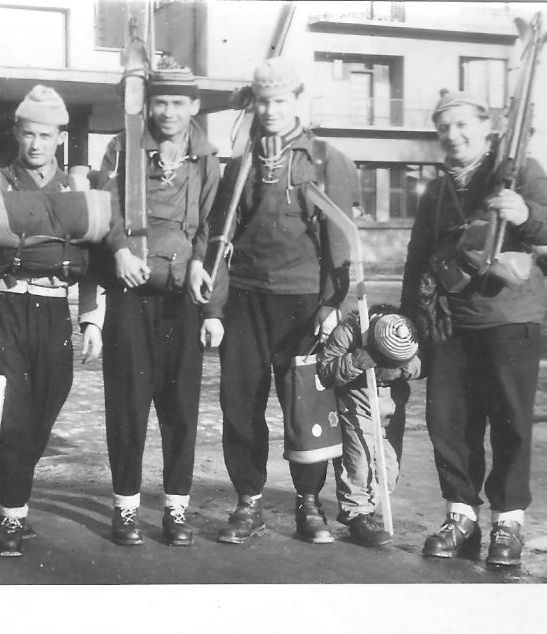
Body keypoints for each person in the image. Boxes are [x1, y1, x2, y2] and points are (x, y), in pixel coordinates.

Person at [189, 57, 359, 545]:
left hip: (303, 303)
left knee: (305, 406)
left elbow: (340, 241)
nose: (271, 110)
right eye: (263, 102)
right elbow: (220, 237)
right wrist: (214, 308)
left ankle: (309, 503)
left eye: (280, 100)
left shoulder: (326, 160)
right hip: (245, 299)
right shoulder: (243, 162)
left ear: (298, 101)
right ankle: (249, 502)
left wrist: (332, 305)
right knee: (239, 402)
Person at [400, 90, 547, 566]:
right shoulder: (437, 190)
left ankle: (508, 521)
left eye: (462, 125)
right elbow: (417, 258)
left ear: (486, 127)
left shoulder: (519, 170)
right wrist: (411, 325)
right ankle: (461, 516)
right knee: (449, 422)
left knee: (510, 422)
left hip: (509, 318)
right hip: (449, 322)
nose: (452, 136)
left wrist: (524, 213)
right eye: (443, 128)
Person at [0, 84, 105, 557]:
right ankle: (13, 517)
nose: (36, 144)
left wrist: (92, 319)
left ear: (61, 137)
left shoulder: (76, 191)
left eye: (45, 135)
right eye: (28, 134)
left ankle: (5, 491)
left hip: (54, 310)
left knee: (46, 407)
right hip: (3, 306)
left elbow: (92, 261)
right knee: (13, 415)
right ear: (17, 133)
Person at [97, 57, 222, 546]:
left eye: (178, 102)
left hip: (180, 299)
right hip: (131, 294)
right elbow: (105, 206)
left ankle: (175, 508)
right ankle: (125, 508)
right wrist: (119, 248)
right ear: (147, 104)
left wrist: (200, 264)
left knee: (180, 407)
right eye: (160, 102)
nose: (168, 112)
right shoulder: (122, 147)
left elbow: (212, 224)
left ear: (194, 106)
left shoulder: (206, 158)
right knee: (128, 404)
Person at [316, 305, 422, 547]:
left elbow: (422, 365)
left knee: (389, 470)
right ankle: (358, 515)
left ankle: (368, 509)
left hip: (391, 407)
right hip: (357, 403)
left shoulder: (405, 329)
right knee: (359, 462)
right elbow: (325, 370)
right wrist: (356, 361)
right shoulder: (351, 330)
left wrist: (403, 368)